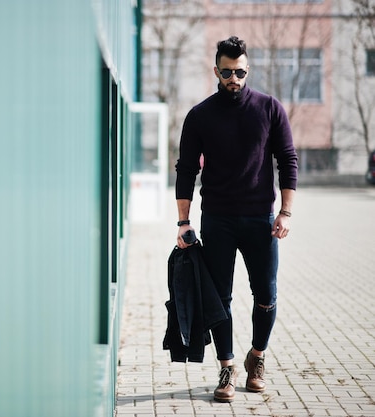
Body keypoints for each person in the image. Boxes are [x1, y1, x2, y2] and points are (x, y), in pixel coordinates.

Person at [174, 35, 298, 403]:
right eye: (227, 72)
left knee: (266, 295)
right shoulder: (199, 116)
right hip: (218, 218)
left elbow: (287, 160)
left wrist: (286, 212)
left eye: (240, 71)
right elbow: (184, 171)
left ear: (248, 69)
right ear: (216, 70)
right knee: (220, 299)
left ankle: (256, 358)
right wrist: (184, 222)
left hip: (261, 217)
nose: (234, 78)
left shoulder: (269, 108)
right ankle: (227, 368)